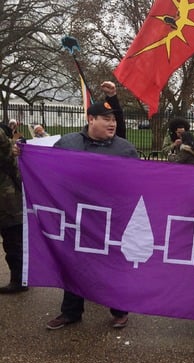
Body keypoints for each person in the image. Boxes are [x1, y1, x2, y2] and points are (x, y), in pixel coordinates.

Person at [15, 81, 139, 329]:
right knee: (74, 263)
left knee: (111, 264)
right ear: (90, 119)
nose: (112, 123)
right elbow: (47, 172)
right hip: (74, 218)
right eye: (105, 118)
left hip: (109, 220)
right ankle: (71, 312)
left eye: (113, 118)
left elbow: (137, 184)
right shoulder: (68, 143)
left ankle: (119, 309)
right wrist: (24, 155)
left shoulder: (124, 149)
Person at [0, 123, 27, 294]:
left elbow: (10, 160)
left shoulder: (7, 149)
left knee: (13, 243)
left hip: (7, 201)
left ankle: (19, 280)